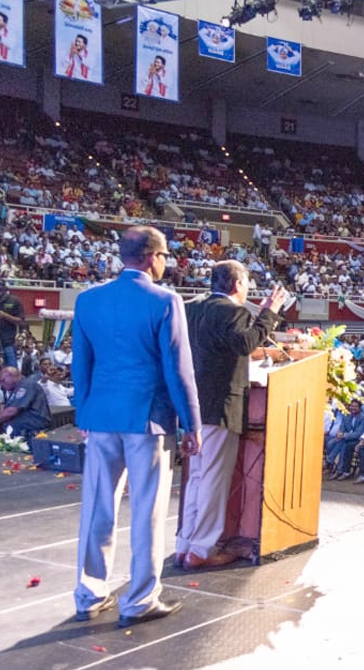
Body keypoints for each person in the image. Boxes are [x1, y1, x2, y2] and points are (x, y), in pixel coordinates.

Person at [72, 226, 202, 627]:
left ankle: (89, 593)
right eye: (165, 256)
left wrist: (84, 414)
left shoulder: (88, 300)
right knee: (146, 509)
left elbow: (81, 364)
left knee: (97, 504)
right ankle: (140, 599)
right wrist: (191, 423)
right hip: (148, 419)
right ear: (152, 257)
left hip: (101, 416)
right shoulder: (165, 300)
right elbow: (178, 369)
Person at [175, 260, 285, 569]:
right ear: (237, 284)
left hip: (192, 407)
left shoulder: (190, 307)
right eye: (247, 283)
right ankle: (202, 549)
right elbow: (246, 343)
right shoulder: (233, 311)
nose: (247, 289)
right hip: (220, 406)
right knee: (212, 480)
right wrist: (269, 312)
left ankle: (185, 543)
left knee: (196, 478)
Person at [0, 366, 52, 438]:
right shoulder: (15, 389)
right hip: (21, 431)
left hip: (32, 432)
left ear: (11, 375)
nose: (2, 385)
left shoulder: (27, 385)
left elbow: (11, 411)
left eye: (2, 380)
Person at [0, 281, 24, 368]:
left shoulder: (14, 300)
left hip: (8, 342)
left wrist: (4, 315)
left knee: (11, 369)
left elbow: (20, 320)